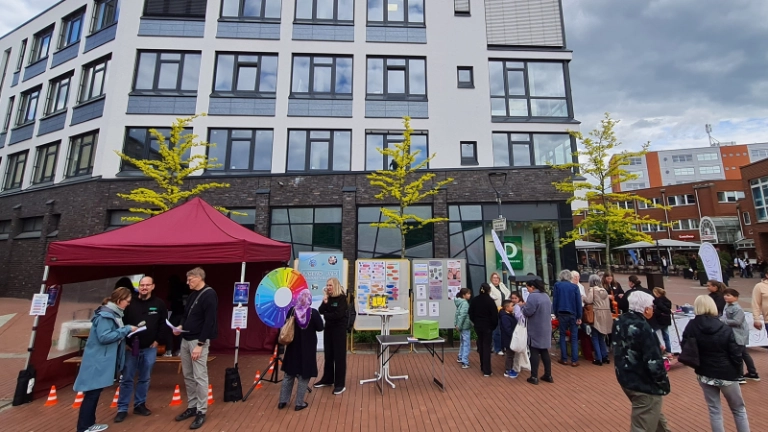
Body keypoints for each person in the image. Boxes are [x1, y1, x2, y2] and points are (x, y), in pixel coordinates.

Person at [683, 295, 750, 432]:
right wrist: (738, 371)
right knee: (738, 409)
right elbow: (735, 352)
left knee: (714, 410)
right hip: (727, 373)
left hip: (705, 372)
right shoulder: (723, 327)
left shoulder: (691, 326)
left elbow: (686, 346)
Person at [74, 288, 137, 432]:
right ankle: (84, 427)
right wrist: (126, 329)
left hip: (101, 359)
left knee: (94, 393)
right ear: (120, 300)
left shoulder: (112, 314)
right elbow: (104, 337)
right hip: (98, 361)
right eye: (127, 301)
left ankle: (89, 424)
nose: (128, 304)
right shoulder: (106, 316)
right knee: (92, 394)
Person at [612, 291, 671, 432]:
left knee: (655, 418)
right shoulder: (643, 327)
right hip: (644, 383)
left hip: (626, 377)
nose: (653, 309)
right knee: (644, 423)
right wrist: (663, 382)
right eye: (651, 307)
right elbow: (653, 362)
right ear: (646, 309)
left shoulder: (620, 321)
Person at [115, 275, 168, 423]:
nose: (144, 288)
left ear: (153, 286)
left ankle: (139, 404)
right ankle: (122, 408)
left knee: (145, 378)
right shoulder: (130, 302)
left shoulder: (159, 304)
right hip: (130, 347)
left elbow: (164, 324)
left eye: (147, 285)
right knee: (127, 378)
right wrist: (124, 341)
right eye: (142, 285)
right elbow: (120, 322)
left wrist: (158, 341)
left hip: (149, 347)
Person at [173, 267, 218, 430]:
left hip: (197, 341)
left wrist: (200, 344)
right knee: (188, 375)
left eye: (190, 279)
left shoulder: (209, 295)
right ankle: (192, 406)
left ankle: (201, 410)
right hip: (185, 338)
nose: (188, 282)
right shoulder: (192, 295)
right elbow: (186, 315)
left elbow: (209, 321)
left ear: (199, 278)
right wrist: (180, 326)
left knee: (200, 376)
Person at [279, 290, 324, 410]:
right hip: (307, 350)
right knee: (304, 376)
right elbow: (320, 328)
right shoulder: (313, 313)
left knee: (289, 374)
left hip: (292, 348)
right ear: (309, 299)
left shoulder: (292, 311)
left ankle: (282, 401)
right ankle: (299, 403)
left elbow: (285, 324)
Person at [315, 277, 348, 395]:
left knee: (339, 357)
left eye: (330, 285)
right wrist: (325, 301)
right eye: (327, 285)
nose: (328, 287)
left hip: (339, 330)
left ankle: (340, 384)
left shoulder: (342, 298)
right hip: (328, 329)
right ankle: (327, 379)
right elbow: (320, 310)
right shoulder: (328, 298)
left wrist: (327, 315)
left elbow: (338, 315)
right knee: (328, 355)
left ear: (335, 286)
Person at [721, 288, 760, 382]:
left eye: (729, 295)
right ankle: (752, 373)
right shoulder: (727, 305)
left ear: (735, 297)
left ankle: (739, 376)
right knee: (744, 353)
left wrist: (722, 321)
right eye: (725, 295)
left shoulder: (737, 308)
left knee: (737, 355)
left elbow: (737, 321)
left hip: (738, 334)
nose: (726, 297)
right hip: (734, 333)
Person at [521, 279, 553, 385]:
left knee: (534, 351)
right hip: (546, 327)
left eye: (528, 288)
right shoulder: (546, 296)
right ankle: (548, 375)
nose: (527, 290)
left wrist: (523, 307)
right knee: (544, 351)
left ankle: (534, 376)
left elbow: (528, 311)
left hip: (535, 328)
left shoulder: (533, 296)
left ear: (532, 287)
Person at [552, 270, 582, 366]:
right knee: (574, 337)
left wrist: (556, 313)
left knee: (562, 335)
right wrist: (579, 316)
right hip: (573, 313)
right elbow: (578, 302)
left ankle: (564, 358)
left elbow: (555, 300)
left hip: (561, 313)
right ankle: (574, 360)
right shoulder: (574, 287)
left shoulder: (557, 285)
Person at [469, 283, 498, 376]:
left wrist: (475, 322)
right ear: (489, 290)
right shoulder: (490, 301)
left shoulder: (475, 300)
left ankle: (482, 366)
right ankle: (487, 370)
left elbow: (471, 313)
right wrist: (493, 326)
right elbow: (494, 316)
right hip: (488, 327)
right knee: (486, 347)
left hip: (478, 326)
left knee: (481, 346)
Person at [585, 274, 612, 365]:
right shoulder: (604, 290)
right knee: (602, 337)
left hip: (597, 314)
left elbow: (588, 300)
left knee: (595, 336)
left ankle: (598, 358)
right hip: (606, 314)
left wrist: (582, 297)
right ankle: (605, 356)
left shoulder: (592, 290)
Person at [488, 272, 510, 355]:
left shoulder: (502, 285)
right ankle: (497, 348)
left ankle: (504, 346)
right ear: (491, 279)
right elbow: (491, 296)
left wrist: (506, 299)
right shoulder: (490, 287)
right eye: (494, 278)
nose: (496, 279)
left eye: (497, 278)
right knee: (496, 331)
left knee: (504, 329)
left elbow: (508, 292)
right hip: (495, 311)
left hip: (504, 310)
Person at [499, 300, 518, 378]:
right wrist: (514, 336)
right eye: (512, 306)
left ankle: (510, 368)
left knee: (511, 354)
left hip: (510, 338)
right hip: (508, 339)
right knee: (509, 355)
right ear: (507, 307)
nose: (513, 307)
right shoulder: (505, 317)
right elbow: (507, 329)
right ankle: (508, 370)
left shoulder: (509, 315)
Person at [453, 288, 472, 369]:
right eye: (468, 294)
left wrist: (457, 324)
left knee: (462, 342)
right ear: (464, 295)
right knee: (466, 343)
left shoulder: (460, 302)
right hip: (465, 326)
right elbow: (463, 315)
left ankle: (460, 357)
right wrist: (459, 325)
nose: (469, 295)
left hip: (461, 326)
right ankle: (465, 361)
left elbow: (458, 314)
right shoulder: (465, 303)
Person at [651, 287, 673, 357]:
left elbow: (661, 308)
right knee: (666, 335)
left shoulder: (657, 301)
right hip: (666, 319)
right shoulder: (667, 300)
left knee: (653, 332)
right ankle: (668, 351)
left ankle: (660, 347)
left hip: (660, 320)